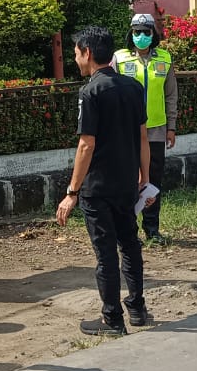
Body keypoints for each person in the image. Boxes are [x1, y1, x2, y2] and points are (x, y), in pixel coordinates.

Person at [56, 26, 152, 336]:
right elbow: (142, 138)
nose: (75, 59)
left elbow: (86, 144)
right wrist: (145, 178)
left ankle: (111, 319)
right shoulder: (134, 87)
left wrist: (72, 192)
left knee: (106, 253)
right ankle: (136, 308)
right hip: (127, 183)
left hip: (97, 188)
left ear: (87, 52)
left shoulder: (91, 92)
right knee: (130, 245)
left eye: (76, 53)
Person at [113, 12, 177, 243]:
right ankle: (128, 229)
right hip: (128, 130)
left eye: (146, 32)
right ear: (131, 34)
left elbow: (171, 95)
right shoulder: (119, 59)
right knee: (129, 178)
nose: (141, 36)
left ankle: (152, 228)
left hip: (156, 129)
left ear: (153, 34)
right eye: (137, 32)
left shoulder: (165, 59)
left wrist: (172, 126)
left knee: (152, 180)